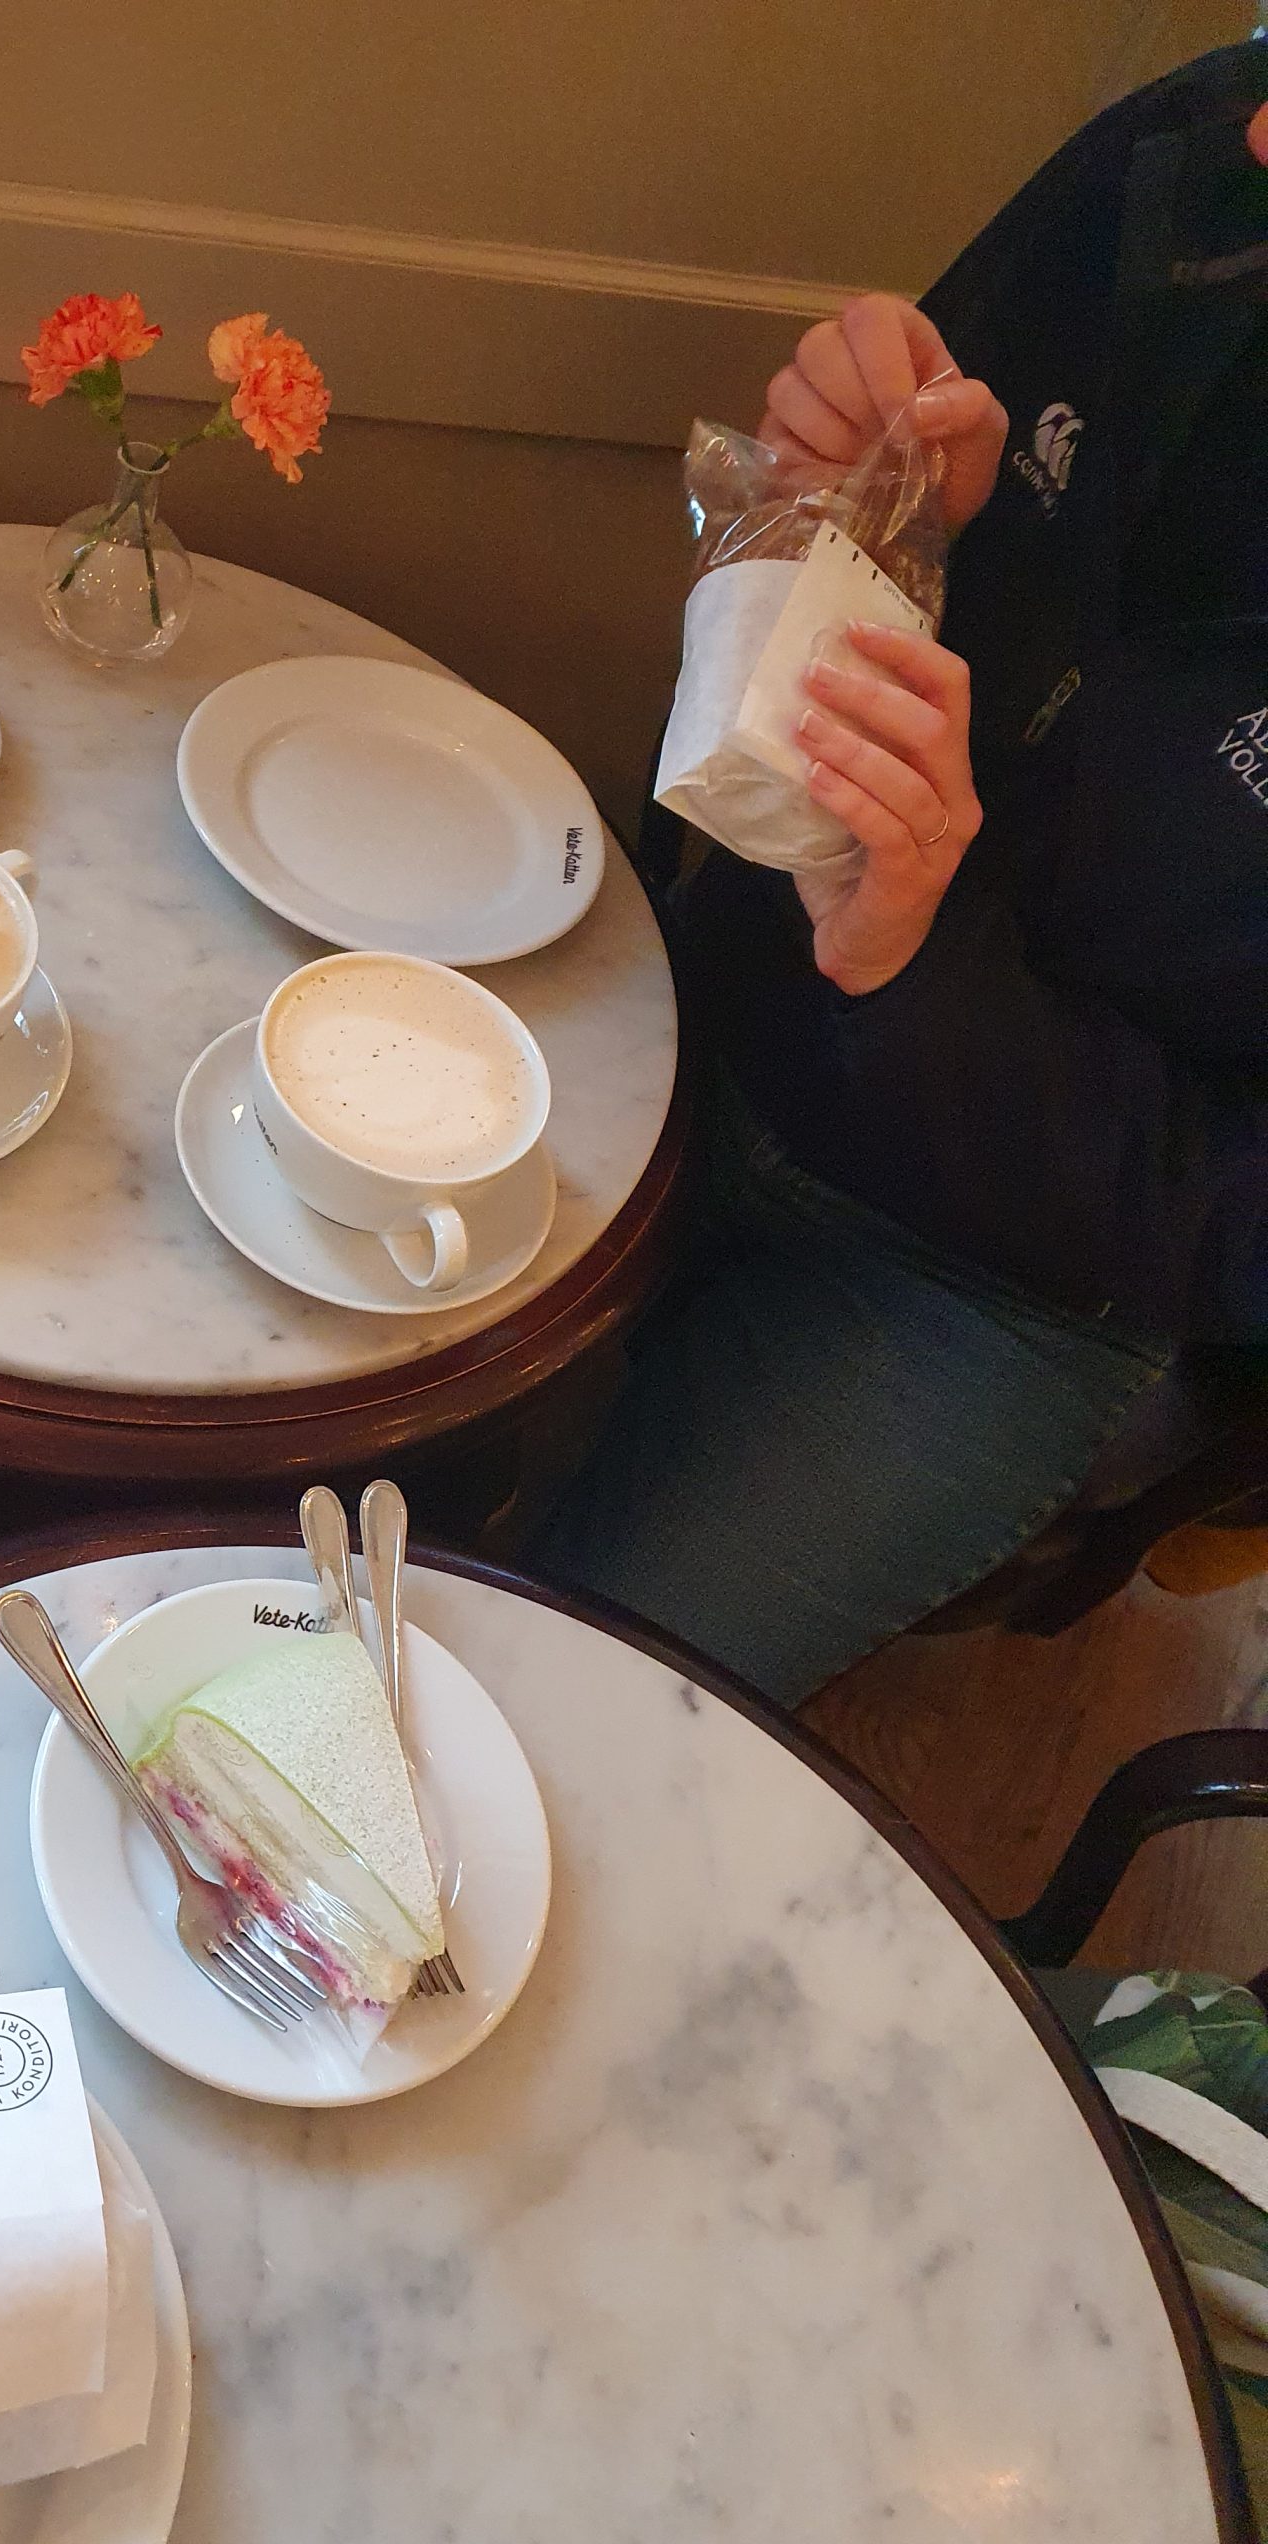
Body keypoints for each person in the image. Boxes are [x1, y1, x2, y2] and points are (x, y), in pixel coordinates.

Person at [540, 43, 1268, 1706]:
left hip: (992, 1282)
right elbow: (899, 512)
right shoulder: (1199, 158)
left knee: (552, 1718)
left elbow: (1237, 1216)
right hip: (697, 987)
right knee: (250, 1398)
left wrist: (920, 966)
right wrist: (891, 508)